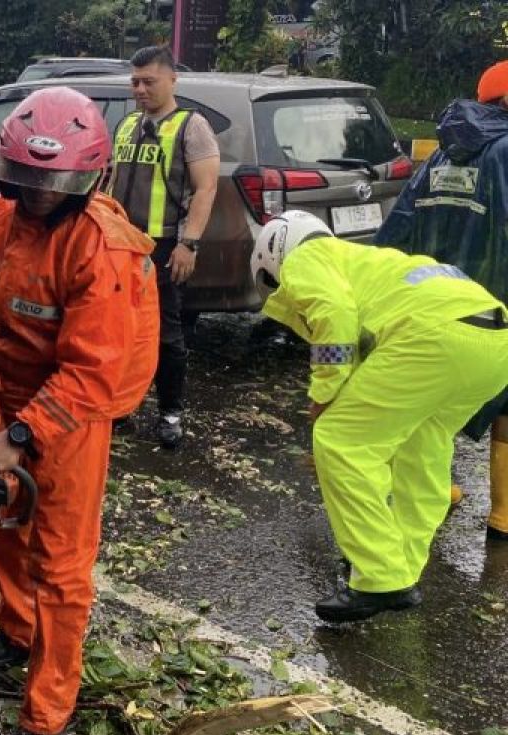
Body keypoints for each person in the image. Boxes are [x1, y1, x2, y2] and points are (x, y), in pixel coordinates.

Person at [0, 87, 157, 735]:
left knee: (62, 565)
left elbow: (92, 369)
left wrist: (22, 436)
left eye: (53, 184)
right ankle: (16, 632)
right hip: (7, 378)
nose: (39, 195)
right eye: (28, 182)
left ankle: (47, 712)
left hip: (77, 408)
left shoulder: (99, 246)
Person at [252, 211, 508, 622]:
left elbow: (333, 316)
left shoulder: (307, 256)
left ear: (274, 250)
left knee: (340, 440)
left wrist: (323, 397)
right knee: (422, 450)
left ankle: (379, 576)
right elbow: (366, 349)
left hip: (431, 336)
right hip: (493, 340)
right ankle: (400, 568)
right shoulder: (366, 262)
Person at [375, 60, 508, 543]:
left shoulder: (443, 154)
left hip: (433, 298)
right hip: (496, 300)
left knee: (437, 398)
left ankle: (441, 485)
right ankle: (503, 513)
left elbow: (401, 222)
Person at [107, 45, 219, 448]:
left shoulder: (191, 126)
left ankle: (170, 411)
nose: (140, 89)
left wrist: (189, 243)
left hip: (164, 246)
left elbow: (206, 189)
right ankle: (122, 407)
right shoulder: (126, 126)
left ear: (172, 79)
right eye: (135, 82)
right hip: (120, 247)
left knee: (167, 334)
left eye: (149, 81)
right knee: (119, 332)